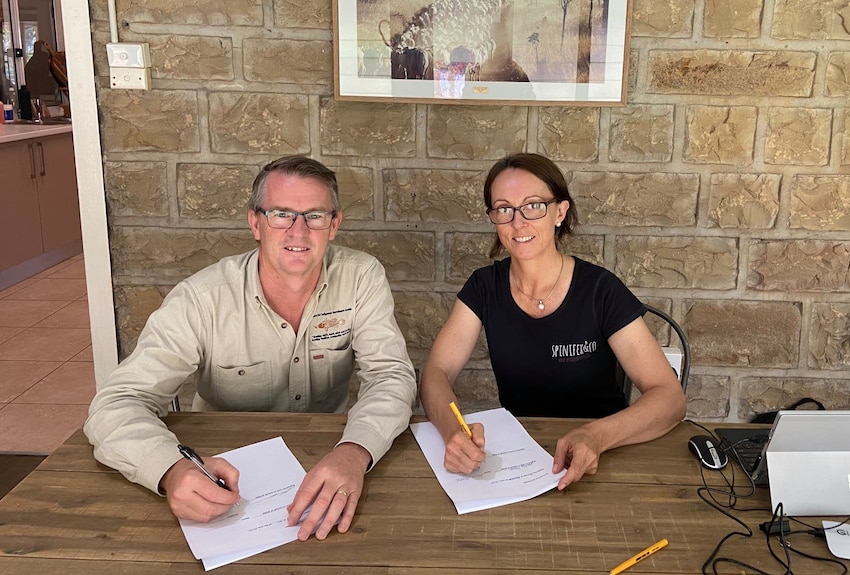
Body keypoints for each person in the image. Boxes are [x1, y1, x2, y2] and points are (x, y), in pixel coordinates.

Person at [85, 155, 417, 541]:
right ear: (255, 223)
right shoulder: (202, 299)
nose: (298, 231)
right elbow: (116, 403)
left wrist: (356, 451)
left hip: (332, 458)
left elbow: (391, 375)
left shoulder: (362, 277)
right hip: (222, 477)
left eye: (315, 215)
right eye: (281, 214)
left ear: (334, 224)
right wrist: (170, 469)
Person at [419, 153, 686, 490]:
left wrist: (595, 435)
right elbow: (435, 373)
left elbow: (670, 398)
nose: (518, 223)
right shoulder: (483, 287)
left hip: (606, 456)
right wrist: (453, 431)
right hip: (521, 460)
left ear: (560, 211)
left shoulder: (600, 290)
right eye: (504, 209)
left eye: (533, 206)